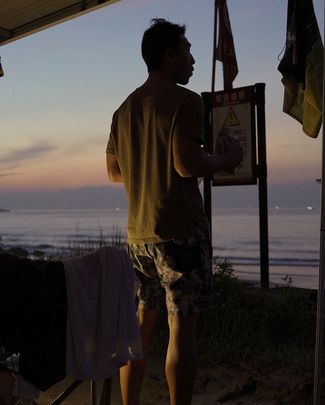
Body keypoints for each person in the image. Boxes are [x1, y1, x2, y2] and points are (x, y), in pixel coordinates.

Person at [105, 18, 243, 405]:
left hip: (138, 237)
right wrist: (226, 158)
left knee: (139, 331)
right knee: (181, 331)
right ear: (169, 56)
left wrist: (146, 161)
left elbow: (115, 171)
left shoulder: (124, 109)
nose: (193, 59)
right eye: (187, 50)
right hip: (180, 231)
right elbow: (186, 164)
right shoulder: (187, 100)